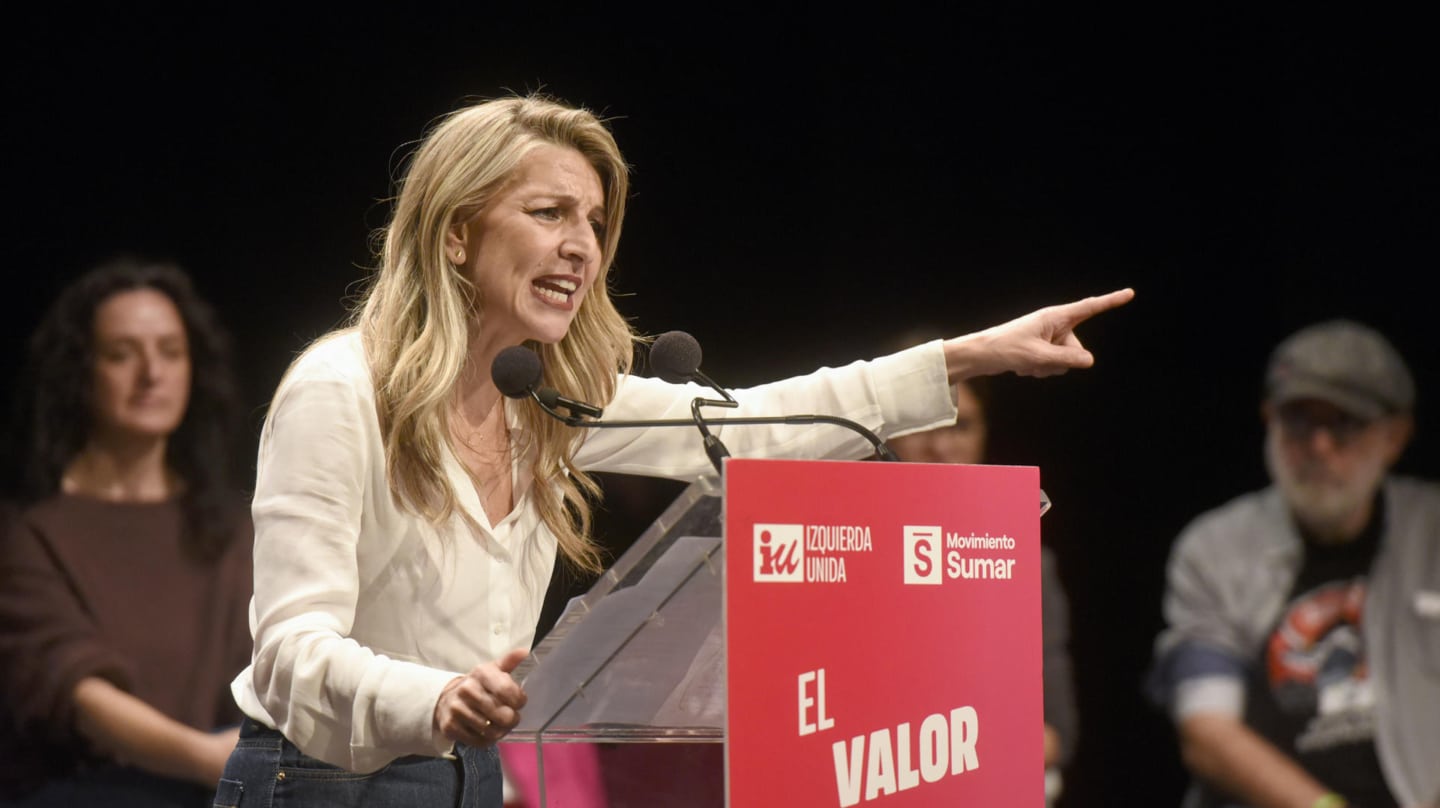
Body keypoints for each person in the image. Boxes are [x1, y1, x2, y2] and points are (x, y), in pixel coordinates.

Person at [217, 92, 1134, 808]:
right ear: (456, 232)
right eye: (548, 212)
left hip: (466, 777)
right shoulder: (339, 394)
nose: (581, 247)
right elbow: (291, 652)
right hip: (317, 783)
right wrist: (436, 696)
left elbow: (762, 421)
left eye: (594, 222)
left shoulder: (549, 399)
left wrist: (971, 355)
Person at [1149, 320, 1439, 808]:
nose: (1319, 446)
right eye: (1299, 421)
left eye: (1344, 423)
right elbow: (1206, 728)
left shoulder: (1431, 530)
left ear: (1395, 435)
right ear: (1268, 420)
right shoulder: (1214, 549)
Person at [0, 258, 254, 807]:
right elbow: (77, 692)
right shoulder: (27, 530)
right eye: (122, 354)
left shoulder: (230, 527)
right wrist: (211, 760)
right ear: (79, 371)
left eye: (170, 351)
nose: (151, 374)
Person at [887, 365, 1081, 807]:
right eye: (920, 426)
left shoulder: (1027, 561)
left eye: (960, 426)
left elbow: (1057, 733)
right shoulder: (842, 551)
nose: (939, 447)